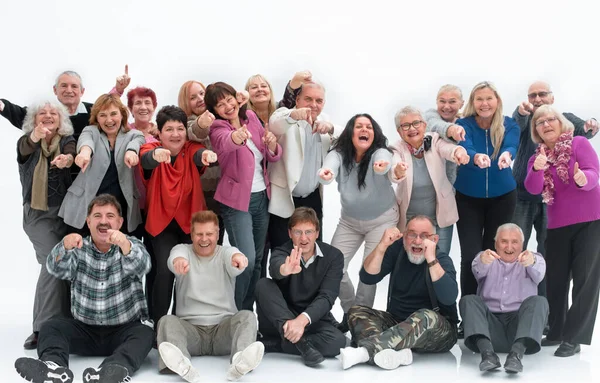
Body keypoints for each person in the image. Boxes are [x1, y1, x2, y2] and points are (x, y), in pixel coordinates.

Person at [14, 194, 153, 383]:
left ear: (120, 222)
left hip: (123, 330)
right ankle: (53, 368)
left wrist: (124, 245)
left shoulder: (131, 246)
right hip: (85, 330)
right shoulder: (78, 248)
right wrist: (63, 246)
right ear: (88, 221)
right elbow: (55, 268)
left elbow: (142, 265)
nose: (103, 221)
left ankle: (112, 370)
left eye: (110, 216)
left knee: (144, 333)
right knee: (50, 326)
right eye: (97, 216)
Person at [525, 105, 600, 357]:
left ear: (561, 122)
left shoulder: (578, 143)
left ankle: (574, 337)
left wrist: (583, 179)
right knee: (555, 280)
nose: (546, 124)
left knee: (585, 279)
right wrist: (537, 168)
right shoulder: (537, 156)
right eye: (539, 122)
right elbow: (533, 189)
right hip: (556, 224)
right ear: (535, 130)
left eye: (551, 119)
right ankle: (556, 331)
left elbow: (593, 172)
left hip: (590, 220)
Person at [339, 215, 458, 370]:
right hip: (397, 324)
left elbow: (449, 298)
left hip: (438, 330)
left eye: (424, 236)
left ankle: (364, 352)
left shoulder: (441, 260)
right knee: (356, 311)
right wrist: (382, 246)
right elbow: (367, 277)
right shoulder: (397, 251)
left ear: (434, 240)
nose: (417, 241)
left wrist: (431, 259)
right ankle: (397, 354)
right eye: (412, 234)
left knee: (425, 316)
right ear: (404, 237)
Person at [157, 211, 264, 382]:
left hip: (223, 330)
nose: (204, 239)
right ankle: (181, 364)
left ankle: (240, 361)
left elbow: (235, 257)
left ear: (217, 234)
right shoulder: (182, 250)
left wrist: (239, 259)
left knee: (247, 316)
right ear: (192, 235)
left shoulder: (226, 253)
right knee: (166, 321)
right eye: (199, 234)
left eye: (209, 234)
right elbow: (175, 257)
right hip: (191, 331)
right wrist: (179, 262)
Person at [511, 81, 597, 287]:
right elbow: (514, 125)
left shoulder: (563, 118)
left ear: (552, 98)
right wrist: (521, 112)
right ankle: (509, 301)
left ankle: (544, 306)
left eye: (542, 94)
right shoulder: (527, 121)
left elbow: (584, 129)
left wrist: (591, 123)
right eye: (532, 96)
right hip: (523, 196)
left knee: (547, 253)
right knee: (512, 247)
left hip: (553, 200)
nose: (537, 99)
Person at [205, 81, 282, 311]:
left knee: (257, 261)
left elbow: (271, 156)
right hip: (236, 202)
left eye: (229, 99)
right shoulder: (217, 128)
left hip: (261, 197)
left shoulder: (250, 115)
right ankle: (233, 312)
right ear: (214, 110)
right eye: (220, 105)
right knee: (245, 261)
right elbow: (225, 145)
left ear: (235, 98)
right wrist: (237, 137)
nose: (227, 106)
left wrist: (272, 144)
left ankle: (247, 316)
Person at [318, 113, 398, 331]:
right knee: (333, 266)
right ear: (350, 131)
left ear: (375, 133)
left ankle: (361, 321)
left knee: (368, 271)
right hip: (350, 221)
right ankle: (351, 311)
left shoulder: (379, 152)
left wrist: (385, 166)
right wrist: (326, 173)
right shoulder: (339, 153)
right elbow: (330, 165)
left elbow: (385, 160)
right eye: (359, 126)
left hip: (382, 220)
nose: (365, 130)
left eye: (369, 127)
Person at [140, 105, 217, 324]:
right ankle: (160, 324)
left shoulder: (190, 148)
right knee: (165, 271)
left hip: (189, 224)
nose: (175, 134)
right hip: (160, 224)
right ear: (160, 132)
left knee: (187, 274)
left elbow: (198, 154)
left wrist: (207, 154)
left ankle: (183, 323)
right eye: (169, 129)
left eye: (180, 128)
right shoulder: (151, 148)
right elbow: (147, 159)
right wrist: (157, 155)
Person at [17, 101, 76, 350]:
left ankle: (64, 324)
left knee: (64, 266)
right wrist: (34, 136)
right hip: (38, 215)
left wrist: (68, 159)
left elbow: (73, 151)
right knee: (53, 262)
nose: (49, 116)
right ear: (34, 120)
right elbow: (24, 147)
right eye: (43, 113)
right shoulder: (27, 142)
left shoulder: (66, 140)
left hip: (65, 215)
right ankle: (42, 329)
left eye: (54, 113)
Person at [254, 207, 346, 367]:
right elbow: (275, 267)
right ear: (290, 233)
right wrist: (285, 269)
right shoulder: (281, 251)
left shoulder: (334, 256)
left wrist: (301, 322)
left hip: (311, 319)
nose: (304, 238)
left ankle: (277, 344)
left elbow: (327, 297)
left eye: (309, 232)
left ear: (317, 233)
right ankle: (301, 344)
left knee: (338, 342)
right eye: (298, 232)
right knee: (263, 284)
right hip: (279, 319)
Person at [454, 81, 520, 301]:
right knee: (471, 256)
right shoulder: (464, 124)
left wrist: (507, 155)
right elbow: (467, 146)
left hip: (503, 198)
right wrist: (475, 157)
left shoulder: (509, 124)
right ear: (473, 102)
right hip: (467, 198)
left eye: (489, 98)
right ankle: (469, 308)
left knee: (493, 254)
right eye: (479, 99)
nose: (484, 103)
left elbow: (511, 145)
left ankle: (491, 307)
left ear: (497, 101)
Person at [460, 223, 548, 373]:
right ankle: (488, 355)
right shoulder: (485, 257)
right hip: (488, 329)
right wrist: (483, 260)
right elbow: (477, 268)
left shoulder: (534, 258)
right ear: (495, 244)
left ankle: (516, 356)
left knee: (540, 301)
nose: (509, 246)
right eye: (504, 241)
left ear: (522, 244)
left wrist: (531, 261)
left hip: (520, 329)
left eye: (515, 242)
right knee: (468, 300)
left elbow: (539, 272)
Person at [58, 94, 145, 236]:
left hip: (120, 209)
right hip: (84, 207)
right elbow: (86, 143)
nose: (109, 120)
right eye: (103, 115)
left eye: (113, 114)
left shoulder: (135, 135)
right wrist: (84, 154)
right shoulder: (91, 131)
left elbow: (136, 144)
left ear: (122, 115)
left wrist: (131, 152)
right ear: (96, 118)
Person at [390, 106, 469, 256]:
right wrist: (397, 170)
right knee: (408, 262)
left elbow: (448, 149)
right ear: (399, 131)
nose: (411, 129)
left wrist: (458, 152)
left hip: (440, 218)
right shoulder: (396, 148)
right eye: (405, 125)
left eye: (416, 123)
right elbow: (394, 165)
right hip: (409, 219)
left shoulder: (434, 140)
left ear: (424, 125)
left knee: (440, 259)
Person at [267, 81, 336, 250]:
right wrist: (294, 116)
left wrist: (332, 128)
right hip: (285, 198)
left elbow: (346, 137)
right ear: (297, 99)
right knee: (282, 252)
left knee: (314, 252)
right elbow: (275, 124)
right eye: (308, 99)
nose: (313, 104)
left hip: (312, 198)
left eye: (319, 101)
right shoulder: (285, 114)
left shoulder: (325, 120)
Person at [178, 80, 227, 245]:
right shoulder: (186, 122)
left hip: (222, 196)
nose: (199, 99)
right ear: (186, 102)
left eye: (201, 93)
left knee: (216, 246)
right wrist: (202, 122)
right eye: (193, 97)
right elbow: (195, 132)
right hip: (198, 199)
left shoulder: (220, 117)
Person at [423, 84, 467, 184]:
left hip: (463, 186)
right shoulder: (430, 115)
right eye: (442, 101)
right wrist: (451, 130)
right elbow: (435, 125)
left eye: (452, 101)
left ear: (462, 104)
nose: (446, 106)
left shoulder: (466, 123)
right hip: (433, 185)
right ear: (436, 102)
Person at [244, 70, 310, 125]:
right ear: (247, 93)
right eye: (254, 87)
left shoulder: (279, 109)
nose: (260, 89)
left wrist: (296, 79)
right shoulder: (243, 116)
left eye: (263, 86)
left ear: (270, 91)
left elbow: (289, 99)